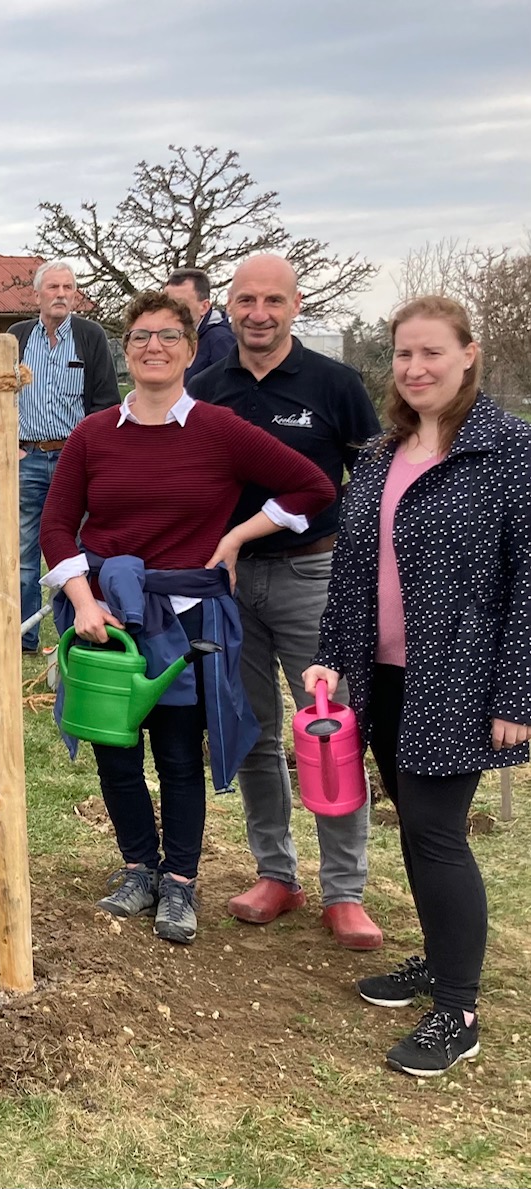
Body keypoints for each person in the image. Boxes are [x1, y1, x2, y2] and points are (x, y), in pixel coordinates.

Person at [41, 290, 333, 945]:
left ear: (191, 349)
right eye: (141, 335)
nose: (153, 346)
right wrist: (84, 600)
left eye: (168, 336)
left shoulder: (217, 430)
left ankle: (178, 883)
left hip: (181, 620)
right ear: (125, 348)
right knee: (114, 754)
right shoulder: (92, 435)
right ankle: (137, 868)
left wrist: (236, 538)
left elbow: (312, 487)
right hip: (108, 623)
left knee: (176, 755)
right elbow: (57, 525)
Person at [306, 296, 531, 1076]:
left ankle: (458, 1008)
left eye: (432, 352)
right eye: (403, 354)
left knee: (436, 833)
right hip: (384, 674)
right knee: (412, 823)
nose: (415, 368)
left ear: (468, 354)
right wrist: (332, 658)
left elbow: (528, 580)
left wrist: (516, 694)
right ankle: (437, 961)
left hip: (460, 679)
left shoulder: (507, 451)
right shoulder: (378, 453)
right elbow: (353, 571)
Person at [188, 254, 384, 950]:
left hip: (315, 579)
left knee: (327, 733)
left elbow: (372, 485)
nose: (258, 312)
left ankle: (345, 889)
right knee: (251, 733)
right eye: (245, 300)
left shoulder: (336, 386)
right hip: (232, 585)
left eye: (272, 299)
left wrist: (363, 577)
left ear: (295, 306)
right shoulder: (204, 387)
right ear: (228, 308)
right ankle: (275, 872)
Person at [9, 261, 120, 654]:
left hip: (75, 462)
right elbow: (0, 395)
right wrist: (12, 444)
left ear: (75, 295)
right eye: (53, 287)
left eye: (68, 287)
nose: (61, 294)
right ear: (36, 294)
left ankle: (76, 633)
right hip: (28, 459)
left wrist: (90, 456)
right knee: (23, 552)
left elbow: (107, 404)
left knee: (77, 551)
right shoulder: (17, 337)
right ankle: (23, 639)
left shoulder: (91, 337)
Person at [164, 267, 236, 380]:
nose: (171, 310)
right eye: (166, 303)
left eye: (180, 304)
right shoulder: (171, 337)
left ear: (204, 307)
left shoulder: (220, 341)